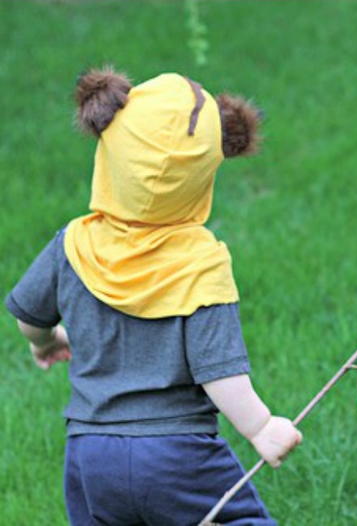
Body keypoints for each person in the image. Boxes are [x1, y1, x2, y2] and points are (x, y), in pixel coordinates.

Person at [5, 67, 302, 526]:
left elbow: (30, 316)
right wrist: (261, 427)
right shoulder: (200, 262)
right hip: (177, 455)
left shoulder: (73, 244)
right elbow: (218, 370)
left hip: (91, 453)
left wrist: (45, 342)